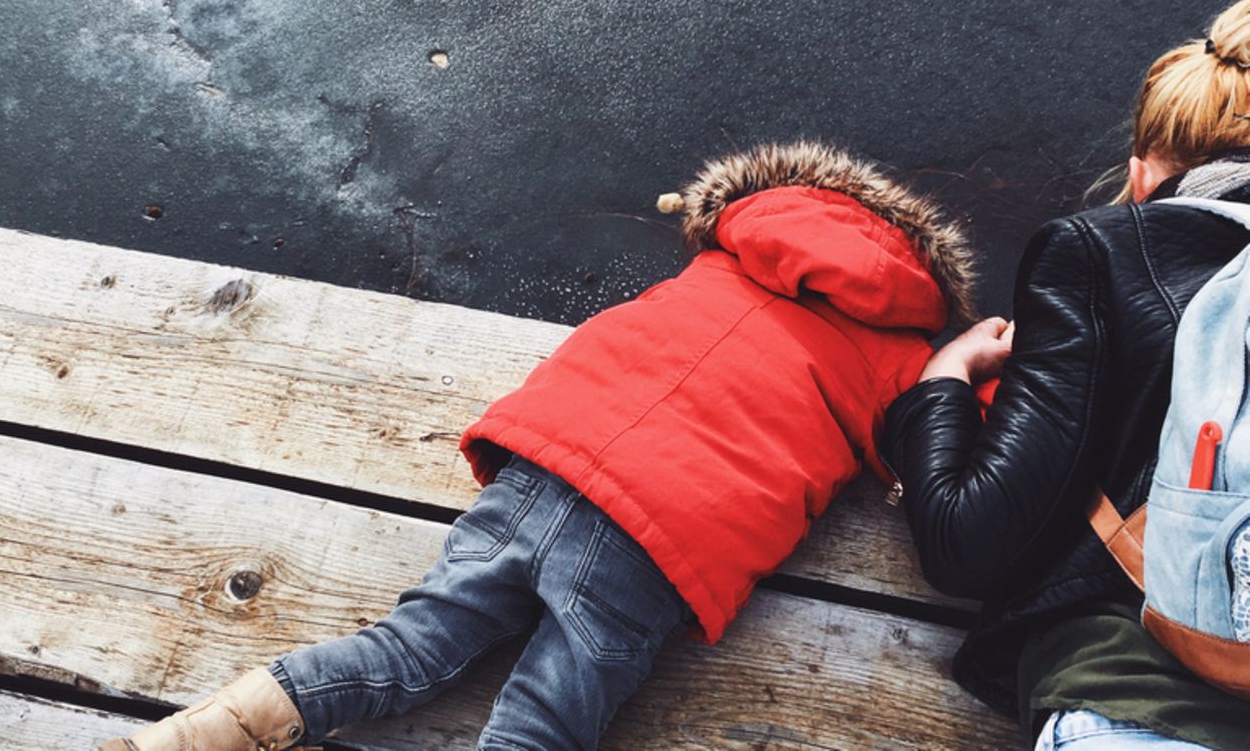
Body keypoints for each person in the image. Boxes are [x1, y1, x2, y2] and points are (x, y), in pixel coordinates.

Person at [98, 140, 976, 751]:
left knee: (408, 646)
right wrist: (969, 364)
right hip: (665, 535)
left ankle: (189, 735)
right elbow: (966, 452)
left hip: (548, 461)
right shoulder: (906, 358)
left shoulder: (735, 250)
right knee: (548, 719)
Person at [880, 0, 1250, 751]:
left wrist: (944, 382)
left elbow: (968, 539)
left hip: (1149, 710)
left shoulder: (1101, 255)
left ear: (1144, 180)